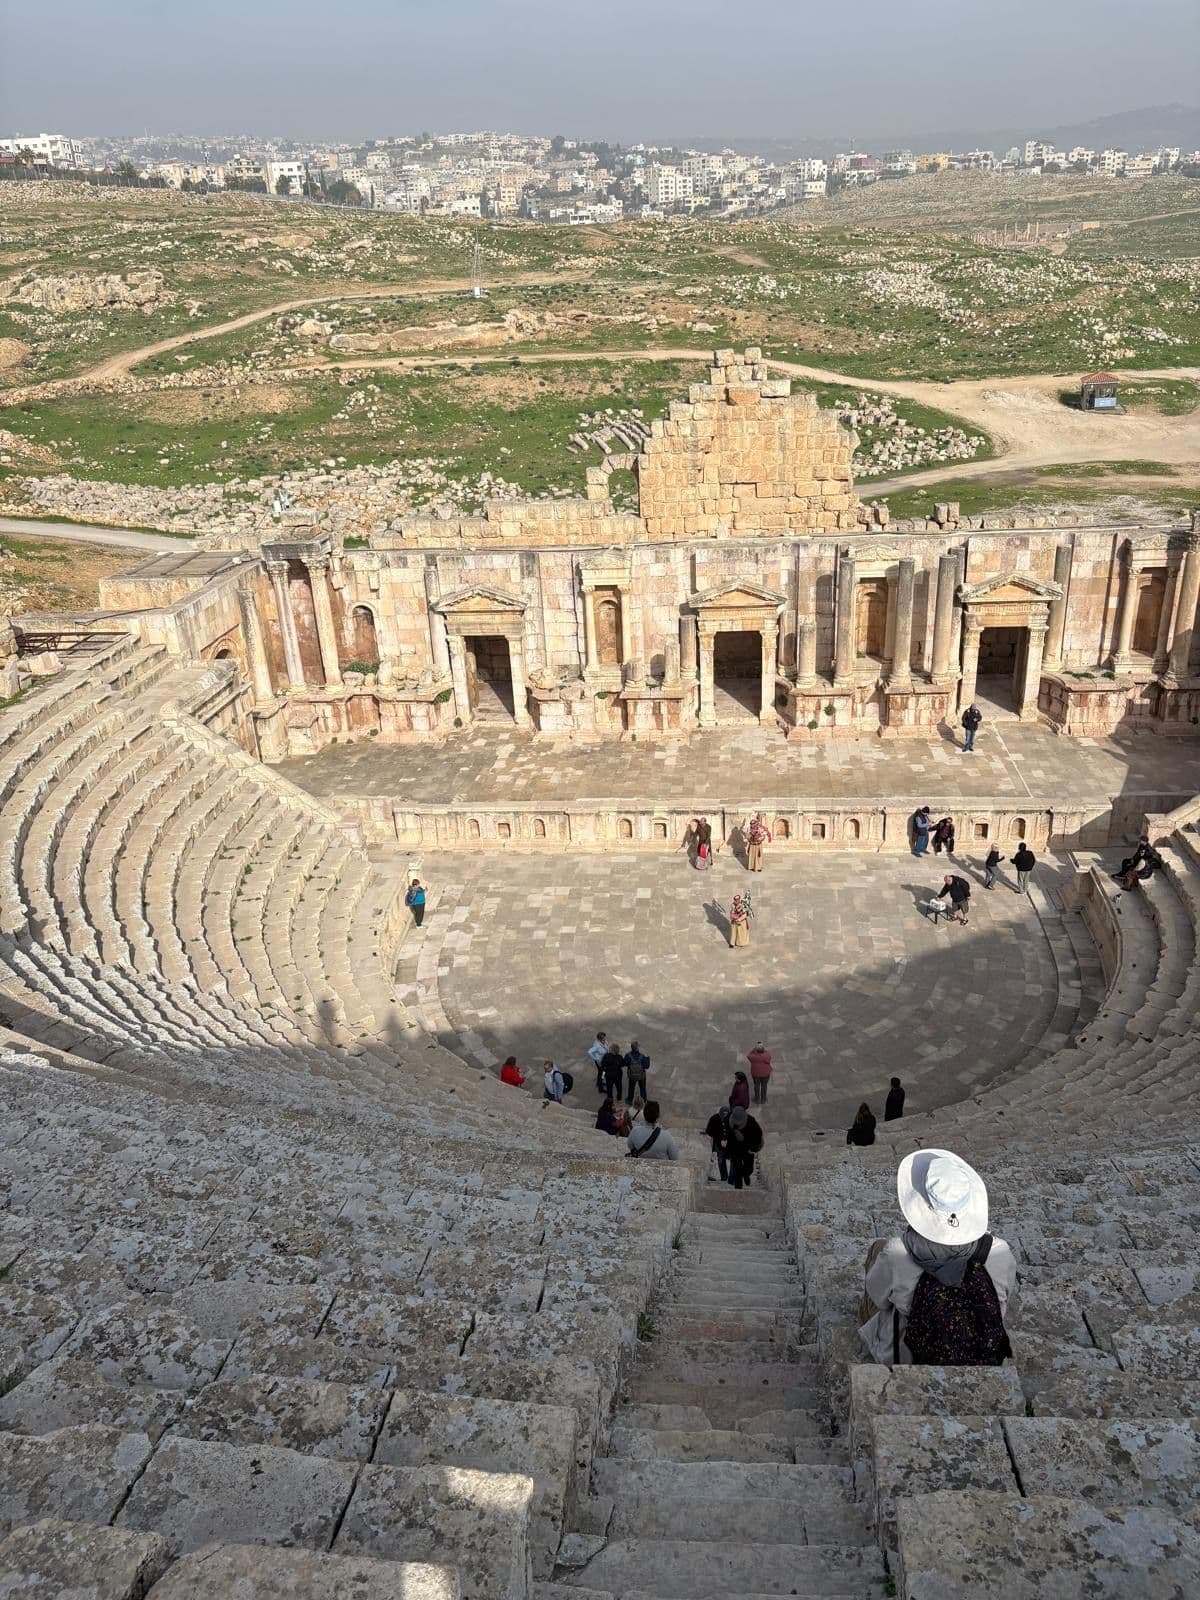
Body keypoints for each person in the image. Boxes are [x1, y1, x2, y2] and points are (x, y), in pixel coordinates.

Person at [859, 1148, 1016, 1367]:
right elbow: (1004, 1301)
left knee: (877, 1250)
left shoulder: (896, 1254)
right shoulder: (1000, 1253)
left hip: (910, 1357)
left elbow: (878, 1297)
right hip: (981, 1352)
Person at [724, 1105, 764, 1190]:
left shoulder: (751, 1122)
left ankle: (746, 1175)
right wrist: (727, 1152)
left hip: (747, 1149)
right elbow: (727, 1136)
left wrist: (744, 1139)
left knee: (749, 1169)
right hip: (735, 1149)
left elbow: (758, 1138)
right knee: (737, 1170)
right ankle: (738, 1189)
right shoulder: (728, 1120)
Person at [704, 1104, 732, 1182]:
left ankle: (732, 1178)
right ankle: (724, 1177)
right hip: (718, 1143)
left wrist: (727, 1140)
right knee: (721, 1159)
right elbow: (709, 1131)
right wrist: (720, 1140)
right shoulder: (714, 1118)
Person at [624, 1041, 649, 1107]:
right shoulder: (642, 1056)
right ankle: (643, 1099)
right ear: (637, 1048)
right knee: (642, 1088)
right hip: (641, 1076)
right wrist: (647, 1058)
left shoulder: (628, 1055)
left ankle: (629, 1099)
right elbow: (647, 1066)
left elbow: (625, 1063)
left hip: (632, 1076)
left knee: (631, 1087)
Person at [747, 1041, 772, 1105]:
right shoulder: (767, 1055)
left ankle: (757, 1099)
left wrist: (755, 1049)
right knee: (764, 1086)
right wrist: (762, 1048)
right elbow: (768, 1054)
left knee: (757, 1086)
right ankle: (763, 1099)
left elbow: (748, 1055)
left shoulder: (753, 1057)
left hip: (756, 1074)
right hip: (766, 1074)